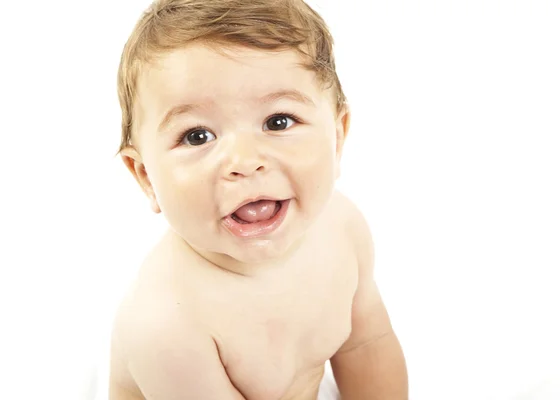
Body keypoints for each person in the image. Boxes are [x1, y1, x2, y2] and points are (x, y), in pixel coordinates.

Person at [109, 0, 408, 399]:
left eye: (278, 121)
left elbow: (367, 344)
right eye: (197, 135)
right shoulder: (166, 324)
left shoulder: (342, 228)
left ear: (337, 138)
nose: (245, 162)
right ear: (146, 176)